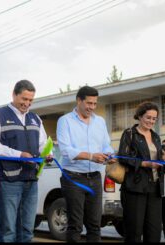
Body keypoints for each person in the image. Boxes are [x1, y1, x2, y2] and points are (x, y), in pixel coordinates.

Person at [0, 79, 51, 242]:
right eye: (24, 99)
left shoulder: (35, 118)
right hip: (9, 181)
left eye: (30, 100)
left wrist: (48, 155)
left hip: (31, 180)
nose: (27, 104)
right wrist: (19, 154)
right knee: (8, 231)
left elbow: (43, 143)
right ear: (14, 94)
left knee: (27, 230)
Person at [56, 85, 117, 243]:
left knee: (95, 225)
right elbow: (65, 150)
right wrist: (91, 156)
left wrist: (110, 154)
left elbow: (105, 145)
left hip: (95, 177)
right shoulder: (65, 121)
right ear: (78, 100)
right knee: (75, 224)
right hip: (73, 178)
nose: (92, 107)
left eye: (95, 103)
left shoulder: (100, 122)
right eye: (89, 103)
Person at [118, 101, 165, 243]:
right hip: (135, 187)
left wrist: (164, 160)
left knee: (154, 231)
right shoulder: (129, 134)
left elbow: (158, 158)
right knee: (134, 231)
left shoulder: (156, 136)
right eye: (148, 117)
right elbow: (123, 157)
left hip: (155, 188)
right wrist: (144, 163)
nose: (151, 121)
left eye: (154, 118)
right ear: (139, 116)